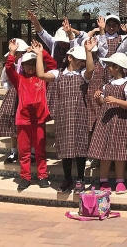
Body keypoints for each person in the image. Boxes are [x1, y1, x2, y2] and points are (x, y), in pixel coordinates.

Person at [37, 40, 96, 194]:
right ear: (70, 58)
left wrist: (88, 51)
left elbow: (90, 69)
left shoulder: (82, 74)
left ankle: (81, 179)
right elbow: (41, 75)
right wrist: (39, 55)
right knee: (65, 147)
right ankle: (67, 178)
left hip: (80, 115)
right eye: (79, 60)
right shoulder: (58, 74)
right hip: (63, 116)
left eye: (83, 60)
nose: (81, 63)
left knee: (80, 147)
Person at [6, 39, 56, 190]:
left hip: (39, 119)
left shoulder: (43, 78)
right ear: (23, 66)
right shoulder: (19, 79)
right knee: (24, 151)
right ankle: (25, 177)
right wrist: (12, 52)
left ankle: (42, 176)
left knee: (40, 150)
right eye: (27, 64)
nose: (30, 67)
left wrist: (41, 53)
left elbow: (53, 65)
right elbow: (9, 69)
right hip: (23, 120)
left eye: (33, 64)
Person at [87, 52, 127, 194]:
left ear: (118, 67)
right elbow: (103, 102)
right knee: (104, 152)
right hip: (106, 121)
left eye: (110, 66)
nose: (108, 68)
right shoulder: (108, 84)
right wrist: (98, 98)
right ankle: (103, 180)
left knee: (120, 153)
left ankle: (120, 181)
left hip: (120, 121)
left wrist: (116, 101)